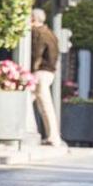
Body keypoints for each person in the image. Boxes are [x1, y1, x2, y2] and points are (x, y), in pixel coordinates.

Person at [30, 8, 62, 146]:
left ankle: (53, 136)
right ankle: (52, 136)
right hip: (48, 72)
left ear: (33, 19)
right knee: (39, 103)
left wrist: (32, 70)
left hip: (40, 72)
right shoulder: (50, 33)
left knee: (43, 104)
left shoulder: (38, 33)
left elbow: (37, 53)